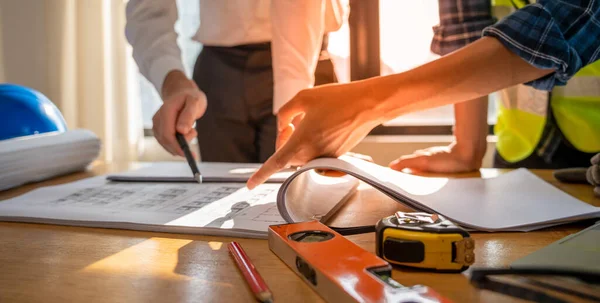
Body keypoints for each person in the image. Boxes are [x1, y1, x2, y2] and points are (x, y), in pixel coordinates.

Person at [247, 0, 600, 189]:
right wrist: (467, 146)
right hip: (520, 149)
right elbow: (466, 28)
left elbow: (566, 22)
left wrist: (366, 104)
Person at [393, 0, 600, 173]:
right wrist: (467, 147)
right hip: (517, 146)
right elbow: (465, 32)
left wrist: (375, 102)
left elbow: (572, 20)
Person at [126, 1, 345, 163]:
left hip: (308, 59)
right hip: (219, 73)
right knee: (217, 205)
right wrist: (172, 82)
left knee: (302, 202)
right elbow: (149, 9)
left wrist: (295, 95)